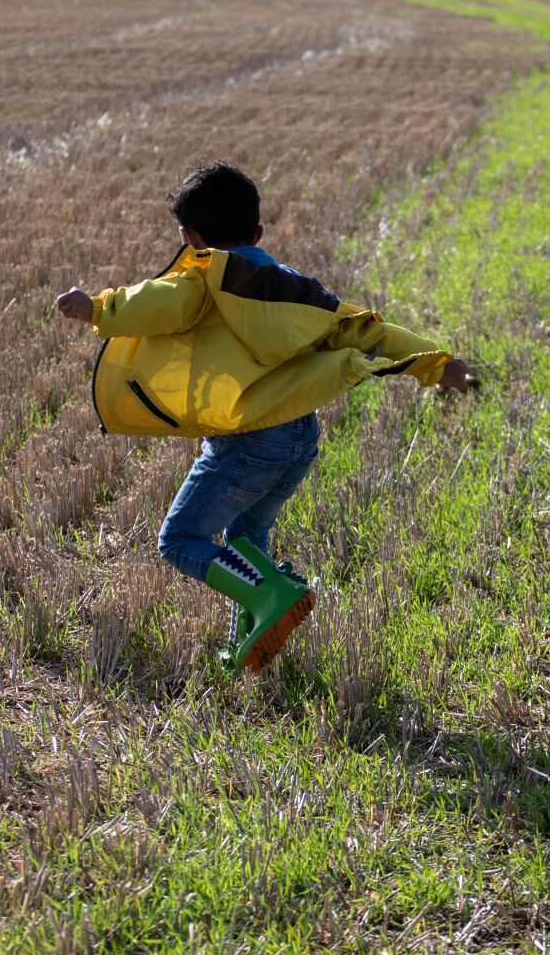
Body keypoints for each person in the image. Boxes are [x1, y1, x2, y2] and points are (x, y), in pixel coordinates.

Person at [56, 161, 477, 673]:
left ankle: (273, 592)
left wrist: (98, 307)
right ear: (258, 233)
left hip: (248, 443)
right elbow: (364, 330)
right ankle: (246, 644)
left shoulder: (202, 278)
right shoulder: (296, 291)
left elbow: (159, 302)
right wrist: (439, 364)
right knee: (246, 543)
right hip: (299, 437)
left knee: (180, 540)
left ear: (190, 238)